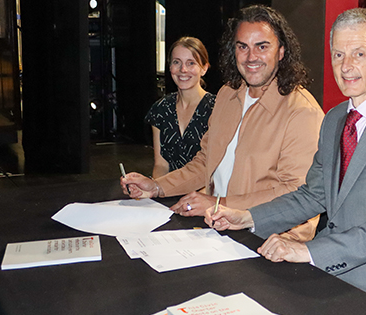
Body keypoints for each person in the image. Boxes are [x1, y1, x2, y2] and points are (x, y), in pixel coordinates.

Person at [205, 8, 366, 315]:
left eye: (359, 53)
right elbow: (313, 194)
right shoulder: (334, 120)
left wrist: (309, 251)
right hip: (332, 263)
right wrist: (248, 218)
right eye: (339, 54)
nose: (346, 67)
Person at [121, 5, 324, 241]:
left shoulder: (301, 112)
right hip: (215, 228)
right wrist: (158, 187)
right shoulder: (228, 95)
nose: (251, 57)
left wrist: (219, 203)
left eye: (262, 46)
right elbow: (206, 162)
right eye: (242, 47)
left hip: (270, 240)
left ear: (281, 52)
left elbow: (295, 194)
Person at [146, 37, 216, 178]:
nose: (183, 70)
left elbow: (217, 167)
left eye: (191, 63)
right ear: (170, 67)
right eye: (176, 62)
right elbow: (161, 165)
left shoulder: (217, 108)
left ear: (204, 68)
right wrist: (156, 188)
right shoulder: (161, 109)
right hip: (170, 193)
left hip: (206, 194)